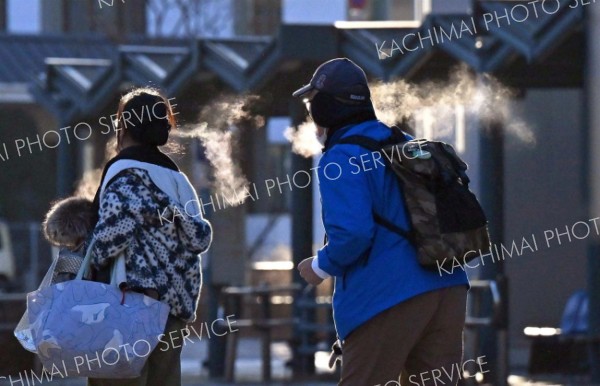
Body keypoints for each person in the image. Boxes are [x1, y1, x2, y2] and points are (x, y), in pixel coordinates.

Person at [294, 58, 469, 386]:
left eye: (311, 102)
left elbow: (354, 234)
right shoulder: (400, 139)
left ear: (326, 106)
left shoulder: (340, 157)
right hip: (447, 287)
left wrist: (319, 266)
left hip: (387, 296)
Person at [87, 87, 213, 386]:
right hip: (173, 309)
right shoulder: (176, 178)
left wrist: (88, 254)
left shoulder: (125, 171)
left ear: (124, 126)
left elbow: (113, 233)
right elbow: (198, 238)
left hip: (127, 304)